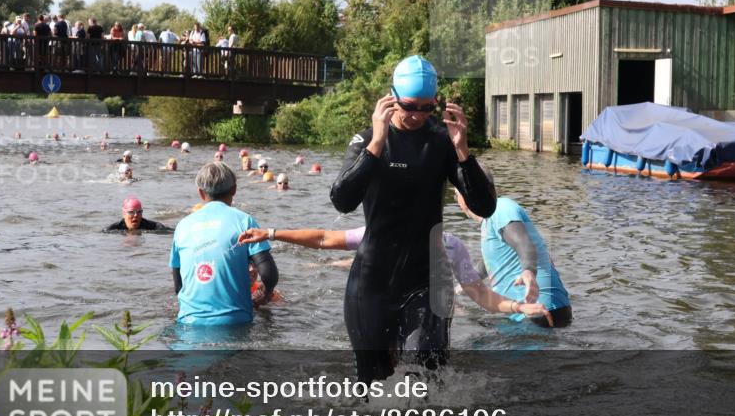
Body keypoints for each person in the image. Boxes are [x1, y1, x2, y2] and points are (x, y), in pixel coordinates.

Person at [329, 54, 496, 384]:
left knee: (428, 378)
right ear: (391, 98)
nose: (417, 115)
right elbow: (342, 201)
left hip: (427, 279)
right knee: (370, 386)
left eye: (426, 107)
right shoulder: (367, 140)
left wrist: (463, 151)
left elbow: (485, 207)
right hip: (373, 281)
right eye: (409, 106)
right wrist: (377, 144)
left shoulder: (442, 142)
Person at [238, 226, 552, 325]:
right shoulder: (376, 233)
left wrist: (519, 307)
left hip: (428, 320)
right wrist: (273, 233)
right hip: (383, 318)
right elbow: (323, 239)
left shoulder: (450, 245)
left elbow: (479, 293)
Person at [454, 166, 572, 328]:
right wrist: (465, 285)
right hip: (531, 313)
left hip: (536, 313)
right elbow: (492, 261)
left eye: (456, 194)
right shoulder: (491, 221)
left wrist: (528, 271)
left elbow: (522, 242)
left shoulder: (500, 208)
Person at [169, 162, 278, 325]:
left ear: (200, 193)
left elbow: (179, 286)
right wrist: (266, 290)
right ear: (234, 189)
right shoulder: (244, 221)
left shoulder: (182, 226)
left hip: (188, 321)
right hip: (235, 322)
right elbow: (268, 274)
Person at [103, 196, 171, 232]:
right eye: (131, 212)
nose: (136, 215)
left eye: (139, 212)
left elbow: (162, 229)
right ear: (124, 214)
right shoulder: (113, 229)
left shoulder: (153, 226)